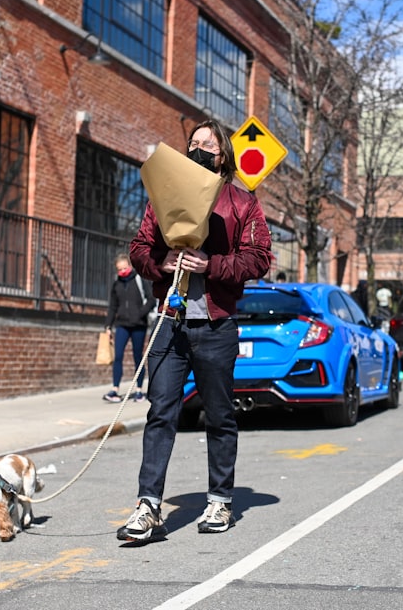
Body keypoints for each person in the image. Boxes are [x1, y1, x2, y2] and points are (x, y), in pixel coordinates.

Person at [119, 119, 273, 543]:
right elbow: (138, 248)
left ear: (223, 153)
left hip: (216, 325)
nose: (199, 148)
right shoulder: (164, 193)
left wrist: (213, 266)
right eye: (193, 142)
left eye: (207, 143)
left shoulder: (241, 200)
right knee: (160, 413)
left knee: (219, 415)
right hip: (169, 323)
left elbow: (259, 258)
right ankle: (148, 506)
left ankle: (220, 498)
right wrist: (159, 263)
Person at [103, 253, 155, 403]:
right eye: (120, 269)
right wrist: (108, 325)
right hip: (122, 325)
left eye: (125, 268)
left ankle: (139, 390)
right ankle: (115, 390)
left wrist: (140, 314)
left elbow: (151, 299)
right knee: (118, 356)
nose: (123, 271)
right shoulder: (116, 284)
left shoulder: (139, 280)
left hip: (138, 324)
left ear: (130, 266)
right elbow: (112, 306)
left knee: (137, 356)